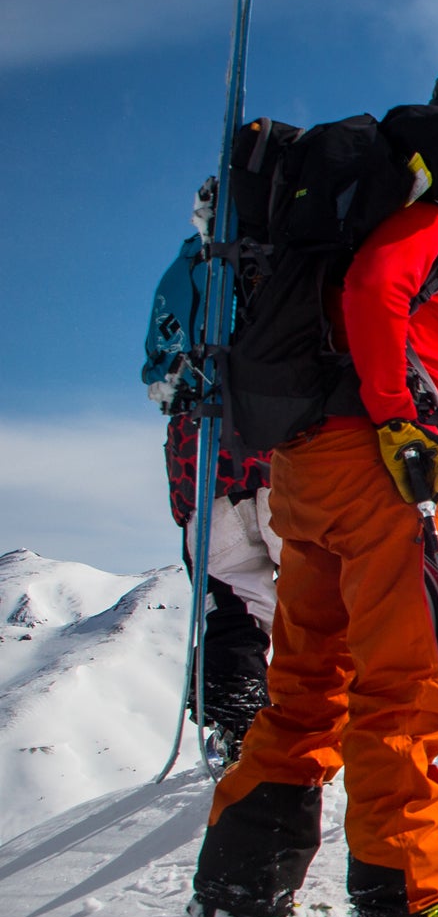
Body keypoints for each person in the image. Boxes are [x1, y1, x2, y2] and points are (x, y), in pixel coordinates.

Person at [187, 56, 438, 917]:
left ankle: (238, 916)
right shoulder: (436, 198)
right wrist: (400, 419)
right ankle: (409, 913)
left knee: (306, 686)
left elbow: (361, 324)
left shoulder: (362, 189)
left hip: (305, 467)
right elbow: (375, 297)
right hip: (382, 473)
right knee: (406, 687)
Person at [144, 222, 278, 764]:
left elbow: (158, 373)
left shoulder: (184, 275)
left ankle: (239, 726)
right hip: (280, 450)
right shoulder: (292, 261)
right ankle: (321, 719)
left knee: (232, 599)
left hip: (200, 461)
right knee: (315, 592)